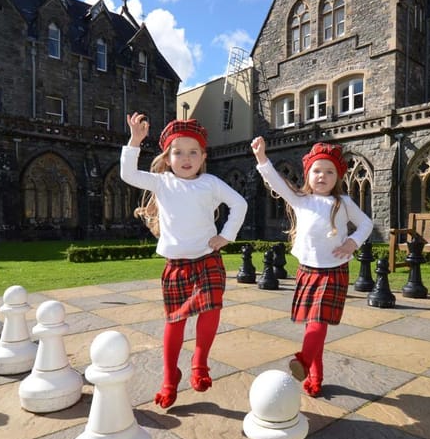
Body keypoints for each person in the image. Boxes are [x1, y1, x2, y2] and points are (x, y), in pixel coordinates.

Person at [122, 112, 248, 408]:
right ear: (168, 157)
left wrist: (226, 236)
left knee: (212, 307)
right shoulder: (163, 182)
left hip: (207, 260)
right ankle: (169, 376)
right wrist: (135, 141)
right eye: (179, 152)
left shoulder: (211, 183)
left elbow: (239, 204)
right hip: (176, 267)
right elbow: (128, 175)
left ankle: (199, 362)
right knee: (174, 323)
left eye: (194, 152)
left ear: (203, 156)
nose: (187, 158)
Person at [251, 137, 373, 397]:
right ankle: (315, 375)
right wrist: (262, 158)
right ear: (308, 174)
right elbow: (275, 181)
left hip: (334, 270)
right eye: (317, 170)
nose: (322, 176)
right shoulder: (300, 199)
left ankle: (303, 362)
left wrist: (352, 242)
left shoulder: (343, 203)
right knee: (311, 326)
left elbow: (366, 225)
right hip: (307, 270)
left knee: (318, 322)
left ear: (337, 177)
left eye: (329, 172)